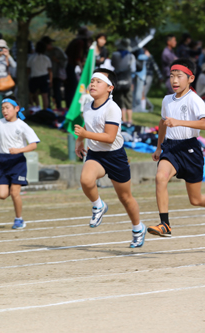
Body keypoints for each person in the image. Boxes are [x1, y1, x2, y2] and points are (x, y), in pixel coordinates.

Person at [74, 68, 145, 248]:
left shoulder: (113, 108)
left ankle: (138, 228)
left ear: (109, 88)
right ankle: (98, 205)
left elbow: (109, 137)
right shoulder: (87, 105)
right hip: (95, 154)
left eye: (98, 81)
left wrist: (85, 133)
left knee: (126, 198)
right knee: (85, 179)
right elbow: (87, 122)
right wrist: (80, 140)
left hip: (115, 156)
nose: (93, 84)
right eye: (92, 81)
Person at [148, 58, 205, 237]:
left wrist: (179, 122)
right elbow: (162, 123)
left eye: (179, 76)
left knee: (196, 199)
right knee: (160, 177)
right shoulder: (166, 100)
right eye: (172, 76)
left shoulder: (195, 100)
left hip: (190, 149)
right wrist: (159, 147)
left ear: (191, 79)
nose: (175, 80)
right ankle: (165, 224)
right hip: (170, 148)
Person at [0, 98, 39, 229]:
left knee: (14, 192)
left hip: (17, 161)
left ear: (16, 109)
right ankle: (11, 189)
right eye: (2, 108)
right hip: (2, 161)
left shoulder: (22, 125)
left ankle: (19, 219)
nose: (4, 111)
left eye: (7, 107)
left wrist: (19, 150)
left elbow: (33, 145)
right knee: (1, 195)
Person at [65, 27, 92, 108]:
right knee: (72, 87)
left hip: (69, 66)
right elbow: (77, 58)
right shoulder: (80, 43)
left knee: (71, 87)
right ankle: (71, 106)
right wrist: (82, 69)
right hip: (70, 67)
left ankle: (69, 105)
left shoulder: (76, 41)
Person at [111, 38, 135, 125]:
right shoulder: (131, 56)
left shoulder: (114, 54)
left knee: (120, 100)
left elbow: (112, 64)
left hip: (118, 80)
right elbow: (133, 69)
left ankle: (123, 120)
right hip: (128, 80)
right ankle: (130, 120)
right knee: (128, 100)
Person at [43, 36, 67, 110]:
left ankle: (59, 107)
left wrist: (57, 60)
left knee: (57, 92)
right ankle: (48, 108)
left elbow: (65, 60)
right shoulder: (43, 52)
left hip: (56, 74)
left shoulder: (57, 50)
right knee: (47, 93)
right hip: (46, 75)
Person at [27, 41, 53, 111]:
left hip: (34, 78)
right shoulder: (46, 58)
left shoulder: (32, 58)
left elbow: (28, 70)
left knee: (31, 94)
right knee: (45, 96)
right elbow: (50, 71)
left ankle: (33, 106)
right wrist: (50, 80)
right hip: (44, 77)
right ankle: (45, 110)